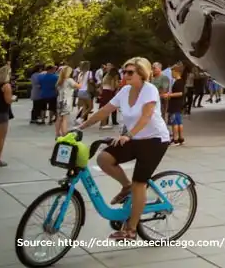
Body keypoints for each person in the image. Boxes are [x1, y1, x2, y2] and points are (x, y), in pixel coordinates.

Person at [78, 57, 170, 240]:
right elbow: (105, 110)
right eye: (124, 71)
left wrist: (128, 135)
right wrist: (81, 126)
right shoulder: (125, 91)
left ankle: (131, 229)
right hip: (135, 138)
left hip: (154, 140)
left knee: (139, 183)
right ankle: (125, 186)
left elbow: (146, 116)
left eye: (130, 72)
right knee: (104, 159)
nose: (125, 75)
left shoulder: (149, 90)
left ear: (141, 74)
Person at [165, 69, 186, 146]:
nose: (171, 74)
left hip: (175, 104)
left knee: (175, 122)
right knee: (179, 121)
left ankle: (175, 139)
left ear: (177, 72)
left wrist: (169, 95)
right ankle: (181, 138)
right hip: (178, 104)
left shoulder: (178, 82)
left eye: (172, 72)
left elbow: (180, 93)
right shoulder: (180, 81)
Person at [55, 66, 77, 137]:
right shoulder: (69, 80)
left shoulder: (59, 81)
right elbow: (78, 86)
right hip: (66, 100)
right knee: (64, 118)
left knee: (59, 117)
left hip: (60, 99)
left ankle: (57, 133)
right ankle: (64, 133)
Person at [0, 64, 13, 167]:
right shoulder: (6, 86)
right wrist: (13, 98)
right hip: (2, 113)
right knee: (0, 138)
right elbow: (8, 100)